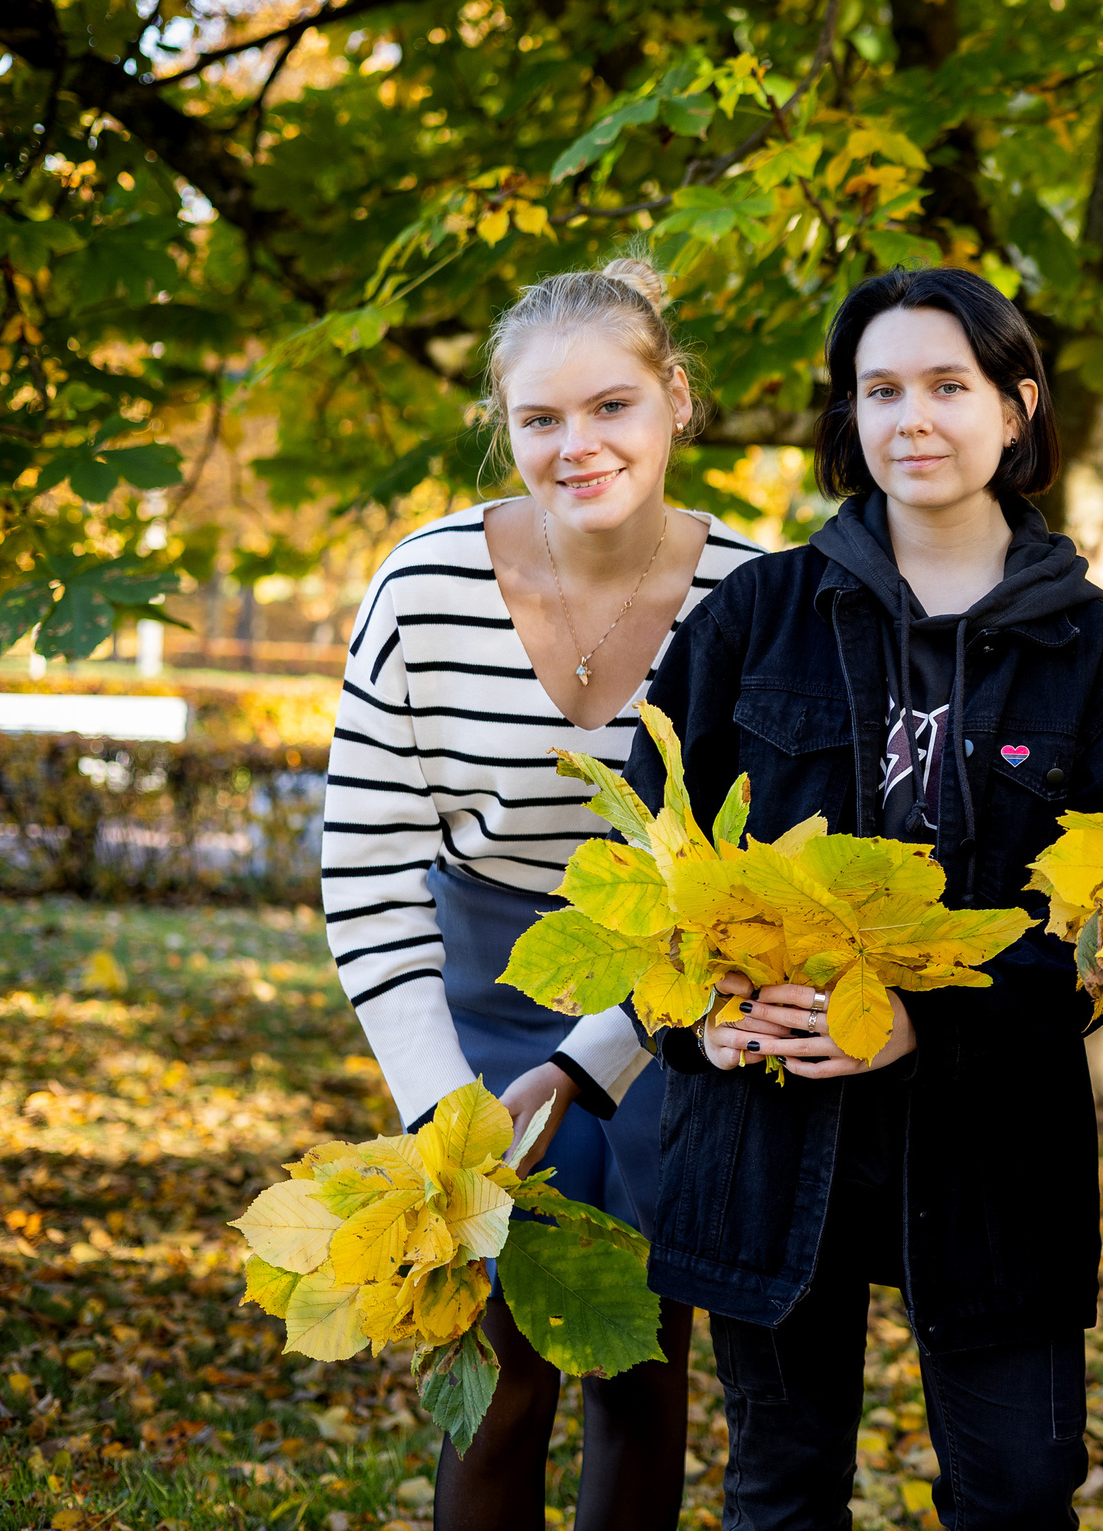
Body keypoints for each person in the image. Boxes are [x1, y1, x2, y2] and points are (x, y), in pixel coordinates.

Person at [626, 266, 1103, 1531]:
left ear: (1018, 406)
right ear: (848, 416)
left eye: (947, 386)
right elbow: (648, 856)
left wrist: (932, 1022)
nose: (911, 418)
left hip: (991, 1140)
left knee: (1018, 1496)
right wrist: (693, 1017)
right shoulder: (757, 616)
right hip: (770, 1127)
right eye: (880, 390)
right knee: (779, 1490)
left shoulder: (1094, 650)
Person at [323, 256, 762, 1531]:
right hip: (480, 992)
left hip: (672, 995)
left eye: (612, 406)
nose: (578, 446)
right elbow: (364, 864)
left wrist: (593, 1061)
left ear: (676, 399)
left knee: (639, 1358)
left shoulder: (757, 593)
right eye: (540, 420)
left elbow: (738, 880)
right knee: (500, 1368)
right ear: (501, 428)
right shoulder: (420, 589)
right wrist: (444, 1111)